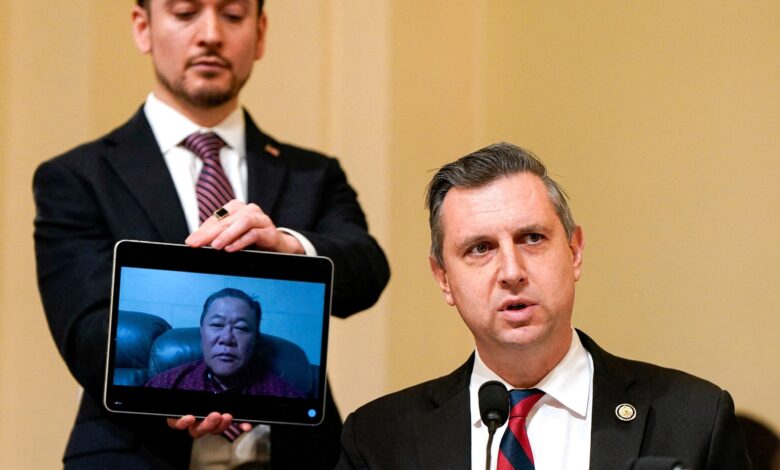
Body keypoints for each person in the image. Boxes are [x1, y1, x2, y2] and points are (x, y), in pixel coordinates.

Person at [33, 0, 389, 468]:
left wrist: (288, 246)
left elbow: (368, 270)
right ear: (143, 27)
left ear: (260, 34)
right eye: (185, 13)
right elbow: (85, 331)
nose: (211, 35)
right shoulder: (77, 177)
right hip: (136, 452)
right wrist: (177, 389)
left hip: (296, 453)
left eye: (233, 15)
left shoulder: (312, 174)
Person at [336, 143, 750, 469]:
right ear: (444, 279)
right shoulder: (378, 440)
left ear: (574, 252)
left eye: (532, 238)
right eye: (480, 248)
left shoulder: (694, 419)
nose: (511, 271)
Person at [146, 288, 302, 397]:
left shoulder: (283, 393)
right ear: (202, 331)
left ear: (256, 338)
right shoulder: (167, 384)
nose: (227, 339)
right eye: (217, 325)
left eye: (241, 328)